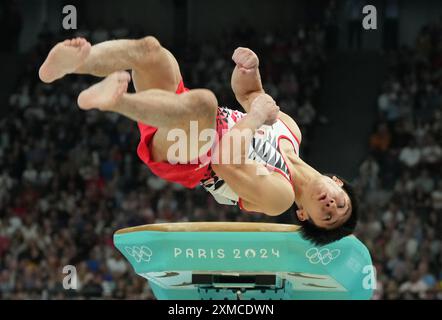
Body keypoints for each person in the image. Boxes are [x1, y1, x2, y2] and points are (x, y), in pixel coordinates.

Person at [38, 36, 358, 245]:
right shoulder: (291, 132)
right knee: (151, 52)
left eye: (327, 217)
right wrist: (250, 69)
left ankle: (114, 100)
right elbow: (251, 95)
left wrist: (258, 116)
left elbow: (224, 160)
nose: (331, 206)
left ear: (304, 215)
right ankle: (70, 66)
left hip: (191, 157)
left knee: (204, 103)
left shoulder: (281, 196)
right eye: (340, 204)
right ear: (336, 183)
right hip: (180, 115)